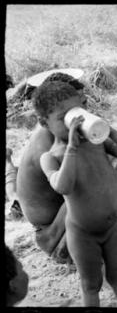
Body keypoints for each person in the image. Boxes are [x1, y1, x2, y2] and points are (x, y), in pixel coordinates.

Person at [35, 81, 117, 306]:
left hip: (113, 228)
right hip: (83, 235)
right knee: (91, 285)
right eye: (65, 118)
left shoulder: (96, 142)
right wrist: (72, 147)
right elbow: (63, 186)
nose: (76, 122)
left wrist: (110, 130)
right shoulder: (52, 156)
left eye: (79, 112)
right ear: (44, 123)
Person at [16, 73, 86, 265]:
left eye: (83, 105)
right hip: (47, 219)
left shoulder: (56, 130)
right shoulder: (47, 141)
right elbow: (73, 181)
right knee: (86, 189)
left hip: (53, 205)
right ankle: (55, 238)